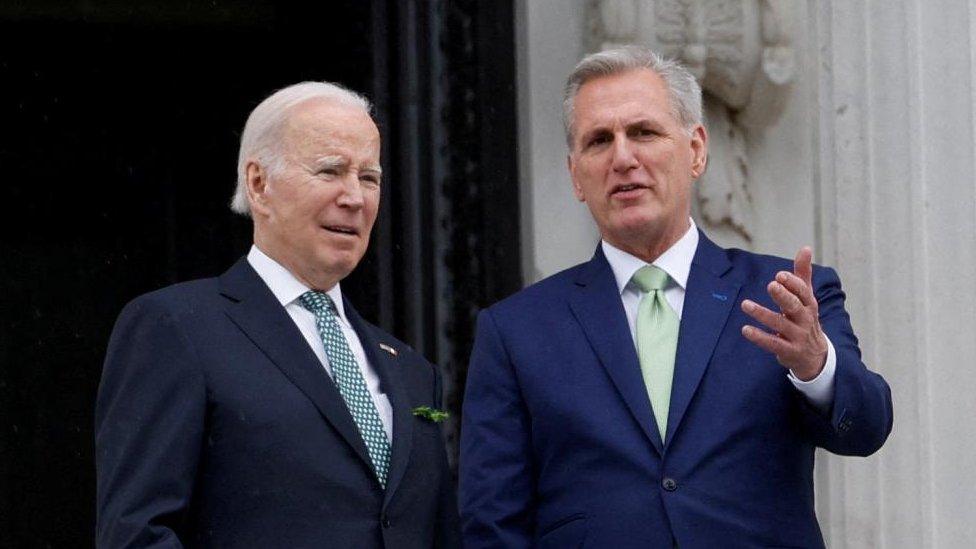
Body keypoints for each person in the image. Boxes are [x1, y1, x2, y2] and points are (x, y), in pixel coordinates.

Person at [459, 46, 892, 548]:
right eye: (600, 140)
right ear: (577, 175)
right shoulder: (516, 331)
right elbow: (492, 524)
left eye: (643, 132)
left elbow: (868, 428)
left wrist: (818, 366)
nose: (623, 158)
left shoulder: (788, 296)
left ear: (696, 150)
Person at [95, 82, 460, 548]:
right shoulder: (178, 327)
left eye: (369, 178)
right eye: (330, 171)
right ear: (259, 184)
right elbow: (137, 534)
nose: (354, 197)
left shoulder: (411, 371)